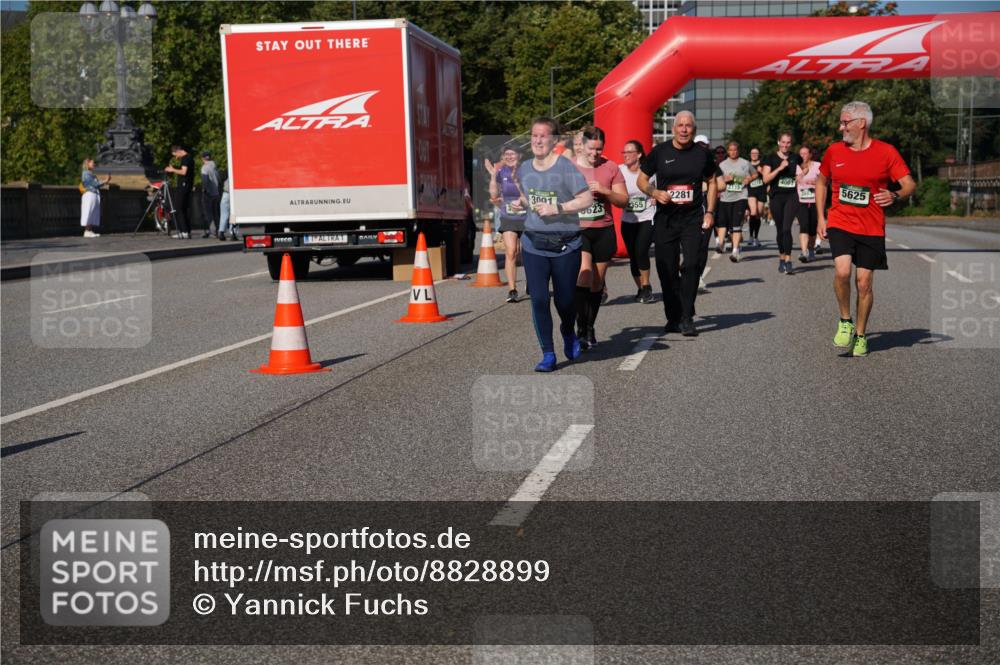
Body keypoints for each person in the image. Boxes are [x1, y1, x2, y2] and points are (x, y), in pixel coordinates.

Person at [817, 101, 915, 357]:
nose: (841, 127)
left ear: (862, 123)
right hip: (840, 221)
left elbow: (908, 184)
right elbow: (821, 181)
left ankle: (860, 334)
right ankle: (845, 320)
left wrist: (895, 195)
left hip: (871, 227)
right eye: (840, 122)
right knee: (841, 271)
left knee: (864, 284)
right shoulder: (834, 151)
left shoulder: (886, 152)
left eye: (845, 122)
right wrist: (820, 217)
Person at [513, 117, 594, 371]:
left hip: (565, 245)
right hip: (533, 243)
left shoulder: (566, 168)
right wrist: (522, 204)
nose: (537, 140)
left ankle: (568, 332)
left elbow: (587, 199)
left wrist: (558, 207)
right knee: (538, 299)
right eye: (534, 136)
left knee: (565, 301)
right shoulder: (525, 168)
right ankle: (548, 354)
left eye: (543, 136)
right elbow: (528, 197)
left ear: (554, 140)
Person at [638, 112, 717, 337]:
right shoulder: (660, 152)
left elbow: (712, 181)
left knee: (691, 265)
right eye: (680, 125)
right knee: (666, 269)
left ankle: (686, 317)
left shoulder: (702, 154)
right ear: (674, 128)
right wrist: (654, 191)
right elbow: (641, 180)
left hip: (692, 218)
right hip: (666, 219)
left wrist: (709, 211)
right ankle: (673, 316)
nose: (684, 130)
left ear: (694, 129)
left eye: (688, 126)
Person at [570, 126, 627, 349]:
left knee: (596, 283)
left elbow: (622, 201)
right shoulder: (569, 167)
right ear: (582, 146)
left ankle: (590, 326)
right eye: (591, 149)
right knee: (583, 275)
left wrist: (605, 190)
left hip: (603, 230)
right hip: (578, 229)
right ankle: (580, 327)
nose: (595, 153)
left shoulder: (611, 167)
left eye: (599, 149)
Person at [487, 146, 528, 302]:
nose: (510, 157)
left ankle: (531, 282)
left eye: (513, 153)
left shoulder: (527, 171)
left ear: (519, 155)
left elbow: (533, 193)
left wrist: (521, 199)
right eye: (506, 154)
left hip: (527, 217)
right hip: (508, 216)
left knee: (527, 254)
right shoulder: (501, 172)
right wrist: (492, 176)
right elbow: (494, 194)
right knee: (511, 252)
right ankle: (512, 289)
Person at [619, 139, 656, 303]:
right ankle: (640, 287)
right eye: (624, 152)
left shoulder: (649, 172)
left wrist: (656, 196)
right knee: (633, 256)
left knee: (641, 250)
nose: (625, 155)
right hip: (628, 220)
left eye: (629, 152)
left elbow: (661, 187)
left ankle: (647, 285)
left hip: (646, 217)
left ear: (639, 154)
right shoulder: (619, 171)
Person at [761, 132, 801, 274]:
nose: (785, 145)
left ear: (791, 144)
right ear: (778, 142)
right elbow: (765, 179)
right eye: (783, 142)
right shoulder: (770, 158)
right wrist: (779, 168)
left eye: (788, 142)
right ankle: (782, 257)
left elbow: (805, 167)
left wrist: (801, 174)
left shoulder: (795, 157)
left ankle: (789, 260)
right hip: (776, 197)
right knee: (779, 230)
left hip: (792, 196)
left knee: (786, 229)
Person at [715, 141, 757, 263]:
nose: (733, 152)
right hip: (725, 197)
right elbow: (717, 179)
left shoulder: (745, 163)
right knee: (722, 222)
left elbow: (755, 174)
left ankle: (734, 251)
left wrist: (749, 178)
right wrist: (724, 179)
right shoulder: (722, 165)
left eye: (735, 150)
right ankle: (721, 243)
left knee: (736, 224)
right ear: (728, 151)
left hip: (740, 196)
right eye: (731, 150)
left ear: (738, 151)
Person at [795, 145, 821, 263]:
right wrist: (801, 174)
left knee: (812, 228)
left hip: (815, 201)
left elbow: (825, 181)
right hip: (801, 201)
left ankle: (811, 249)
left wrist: (816, 182)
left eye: (805, 153)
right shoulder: (796, 167)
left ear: (810, 154)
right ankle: (804, 251)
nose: (803, 156)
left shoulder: (817, 165)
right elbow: (793, 180)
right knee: (803, 225)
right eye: (801, 154)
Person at [164, 145, 194, 239]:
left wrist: (172, 170)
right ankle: (187, 231)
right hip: (187, 185)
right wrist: (176, 167)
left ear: (178, 151)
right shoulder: (190, 158)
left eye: (175, 155)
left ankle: (183, 231)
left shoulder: (185, 158)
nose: (176, 157)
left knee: (178, 208)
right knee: (184, 208)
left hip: (183, 186)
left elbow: (183, 172)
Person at [80, 157, 110, 238]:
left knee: (92, 212)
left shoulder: (89, 173)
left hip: (93, 194)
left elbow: (95, 184)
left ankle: (89, 230)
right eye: (92, 163)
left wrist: (104, 181)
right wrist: (105, 181)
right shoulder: (86, 173)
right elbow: (94, 184)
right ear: (87, 163)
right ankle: (87, 230)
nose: (94, 164)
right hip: (89, 194)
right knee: (89, 211)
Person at [199, 152, 222, 239]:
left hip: (208, 193)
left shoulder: (204, 168)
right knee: (216, 213)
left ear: (202, 158)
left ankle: (211, 232)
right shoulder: (215, 166)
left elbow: (205, 180)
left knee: (208, 213)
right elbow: (219, 180)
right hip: (216, 193)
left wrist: (204, 189)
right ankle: (218, 231)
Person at [747, 147, 766, 248]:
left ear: (759, 154)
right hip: (751, 191)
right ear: (750, 154)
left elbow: (767, 177)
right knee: (753, 212)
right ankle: (750, 236)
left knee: (758, 214)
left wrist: (761, 171)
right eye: (752, 153)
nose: (754, 154)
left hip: (761, 190)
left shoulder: (763, 164)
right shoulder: (747, 164)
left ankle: (756, 237)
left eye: (756, 153)